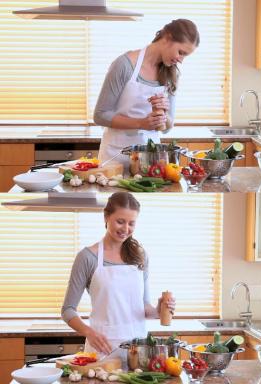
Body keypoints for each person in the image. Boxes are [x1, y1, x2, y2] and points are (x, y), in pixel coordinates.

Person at [61, 192, 175, 355]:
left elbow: (143, 307)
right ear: (106, 217)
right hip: (101, 351)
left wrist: (158, 310)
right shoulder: (87, 257)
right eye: (120, 222)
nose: (126, 229)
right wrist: (89, 332)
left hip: (137, 352)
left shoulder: (140, 256)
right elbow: (68, 310)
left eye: (131, 223)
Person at [94, 19, 200, 166]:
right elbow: (100, 115)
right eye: (180, 52)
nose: (181, 60)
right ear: (167, 37)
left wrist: (163, 113)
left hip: (151, 160)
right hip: (115, 157)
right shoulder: (124, 65)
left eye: (185, 56)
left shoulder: (172, 74)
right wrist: (141, 123)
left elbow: (167, 128)